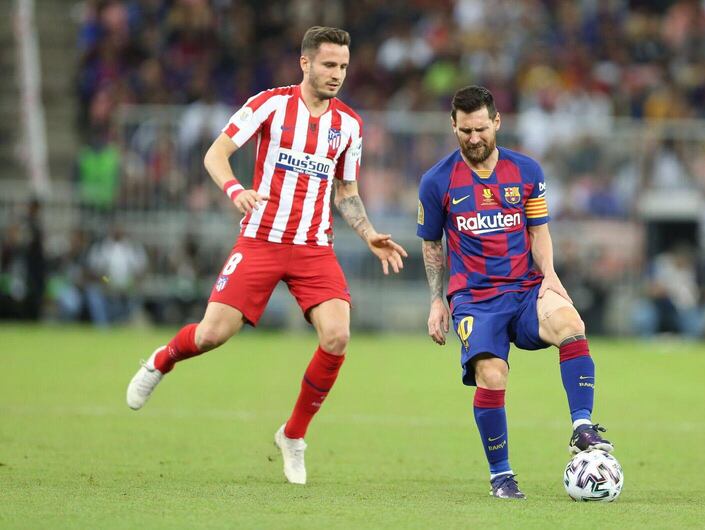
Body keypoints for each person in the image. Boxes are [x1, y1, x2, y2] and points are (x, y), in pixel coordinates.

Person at [126, 26, 407, 485]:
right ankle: (162, 360)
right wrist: (235, 189)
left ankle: (293, 436)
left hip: (315, 247)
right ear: (306, 63)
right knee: (213, 334)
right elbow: (217, 154)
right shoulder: (270, 104)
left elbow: (347, 192)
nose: (337, 74)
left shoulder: (349, 125)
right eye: (329, 65)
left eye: (343, 66)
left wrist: (369, 233)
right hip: (261, 239)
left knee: (337, 337)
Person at [417, 86, 613, 500]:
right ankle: (501, 477)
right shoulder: (436, 181)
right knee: (493, 375)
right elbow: (432, 244)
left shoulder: (526, 171)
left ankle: (582, 426)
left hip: (525, 289)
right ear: (453, 126)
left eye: (481, 128)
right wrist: (437, 299)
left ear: (497, 123)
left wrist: (551, 276)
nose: (474, 138)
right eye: (465, 130)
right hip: (474, 298)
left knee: (571, 323)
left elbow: (538, 232)